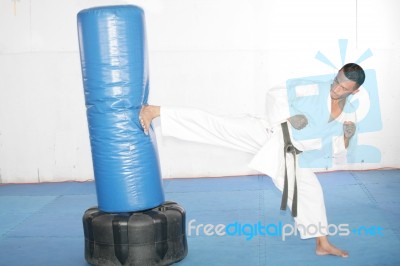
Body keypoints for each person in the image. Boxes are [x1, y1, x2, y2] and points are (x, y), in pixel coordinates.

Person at [139, 63, 365, 258]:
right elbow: (275, 94)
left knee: (311, 189)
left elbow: (338, 150)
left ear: (354, 92)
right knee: (216, 124)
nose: (336, 88)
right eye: (336, 81)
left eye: (343, 88)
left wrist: (347, 135)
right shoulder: (312, 87)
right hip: (268, 133)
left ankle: (322, 244)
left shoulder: (348, 115)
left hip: (291, 154)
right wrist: (289, 117)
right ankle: (156, 111)